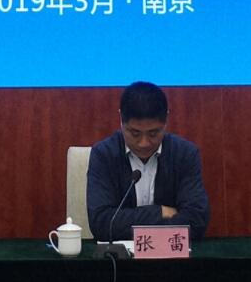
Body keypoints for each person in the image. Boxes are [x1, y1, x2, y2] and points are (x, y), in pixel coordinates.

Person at [86, 81, 210, 242]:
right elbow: (102, 223)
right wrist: (160, 212)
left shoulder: (185, 154)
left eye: (153, 133)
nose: (144, 143)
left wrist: (128, 224)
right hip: (120, 257)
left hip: (171, 255)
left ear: (166, 120)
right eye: (135, 133)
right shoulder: (103, 155)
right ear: (121, 120)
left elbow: (197, 221)